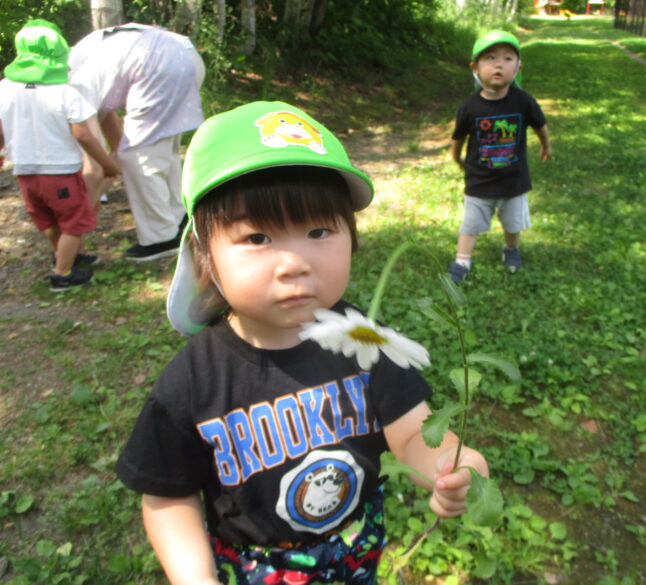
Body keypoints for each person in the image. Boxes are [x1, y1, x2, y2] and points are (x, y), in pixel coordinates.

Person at [115, 101, 489, 585]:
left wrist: (449, 464)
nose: (294, 262)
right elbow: (169, 497)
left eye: (318, 231)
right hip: (253, 567)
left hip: (355, 548)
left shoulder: (363, 339)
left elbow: (413, 432)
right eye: (257, 238)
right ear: (204, 257)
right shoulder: (194, 380)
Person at [68, 23, 205, 261]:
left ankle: (161, 237)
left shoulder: (74, 87)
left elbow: (93, 165)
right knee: (161, 149)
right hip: (185, 55)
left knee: (138, 156)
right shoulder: (83, 64)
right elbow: (112, 138)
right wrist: (110, 167)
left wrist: (81, 214)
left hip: (156, 63)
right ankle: (178, 218)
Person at [0, 19, 120, 291]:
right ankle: (62, 273)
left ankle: (67, 254)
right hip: (60, 173)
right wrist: (107, 164)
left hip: (25, 173)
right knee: (75, 223)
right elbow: (84, 135)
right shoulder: (65, 93)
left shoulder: (4, 88)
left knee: (49, 220)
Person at [448, 30, 552, 283]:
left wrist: (546, 146)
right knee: (471, 224)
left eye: (507, 59)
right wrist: (456, 157)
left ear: (517, 67)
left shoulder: (524, 102)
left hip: (513, 180)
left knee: (512, 223)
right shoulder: (470, 106)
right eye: (490, 58)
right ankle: (462, 260)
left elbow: (540, 124)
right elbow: (458, 137)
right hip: (479, 181)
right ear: (475, 67)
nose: (498, 64)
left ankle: (511, 249)